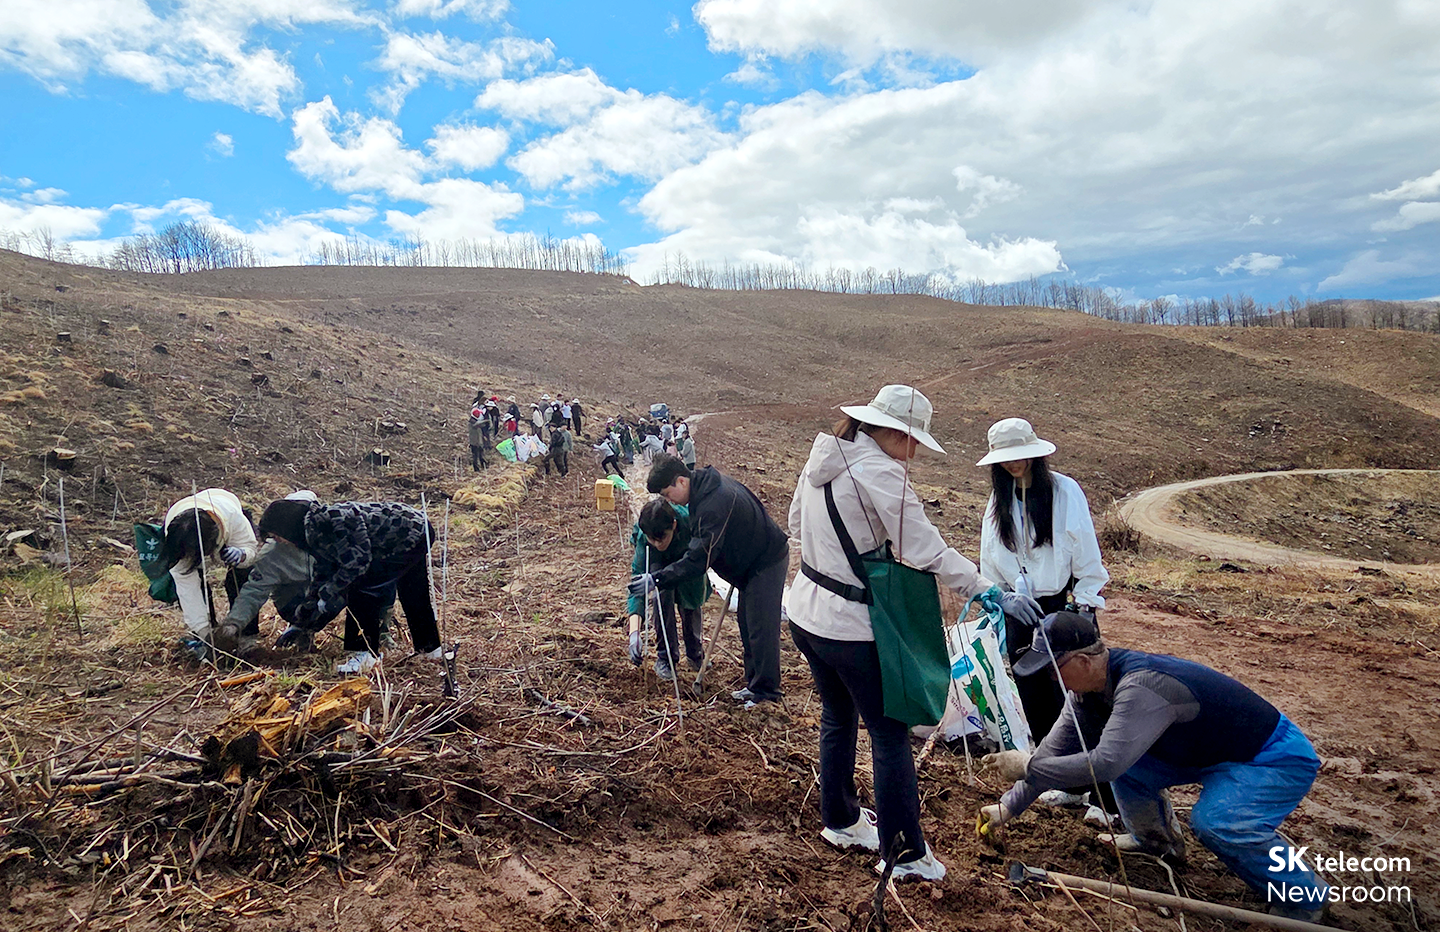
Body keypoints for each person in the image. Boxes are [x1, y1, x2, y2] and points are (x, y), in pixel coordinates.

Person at [786, 384, 1035, 883]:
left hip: (805, 613)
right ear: (891, 432)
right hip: (849, 625)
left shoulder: (823, 458)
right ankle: (904, 854)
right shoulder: (881, 473)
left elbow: (796, 525)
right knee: (889, 733)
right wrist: (987, 588)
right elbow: (927, 551)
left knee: (837, 716)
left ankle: (840, 820)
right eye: (913, 439)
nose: (916, 451)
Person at [979, 612, 1331, 923]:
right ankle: (1157, 842)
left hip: (1272, 757)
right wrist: (1007, 806)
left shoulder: (1141, 685)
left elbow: (1104, 763)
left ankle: (1304, 897)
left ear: (1084, 661)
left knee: (1217, 822)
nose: (1052, 680)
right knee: (1130, 766)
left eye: (1055, 670)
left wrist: (1027, 767)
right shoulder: (1085, 696)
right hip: (1207, 753)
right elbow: (1051, 757)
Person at [977, 417, 1111, 811]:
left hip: (1064, 607)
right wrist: (1001, 597)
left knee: (1086, 696)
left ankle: (1106, 796)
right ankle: (1064, 781)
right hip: (1022, 610)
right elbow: (991, 558)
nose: (1013, 465)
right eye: (1006, 460)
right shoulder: (997, 500)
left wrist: (1085, 603)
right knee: (1035, 693)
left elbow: (1085, 549)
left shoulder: (1065, 491)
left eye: (1020, 457)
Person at [639, 453, 789, 706]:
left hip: (766, 561)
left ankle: (766, 693)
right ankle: (754, 686)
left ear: (681, 482)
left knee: (761, 628)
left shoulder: (712, 503)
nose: (668, 500)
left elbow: (699, 559)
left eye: (667, 493)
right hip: (749, 564)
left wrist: (658, 579)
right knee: (747, 623)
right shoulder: (706, 488)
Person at [258, 497, 443, 674]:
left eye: (277, 536)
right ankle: (430, 649)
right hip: (416, 529)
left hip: (409, 533)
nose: (281, 542)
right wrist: (303, 620)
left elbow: (357, 564)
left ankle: (364, 654)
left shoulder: (332, 522)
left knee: (363, 588)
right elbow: (323, 572)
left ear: (287, 527)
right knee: (412, 591)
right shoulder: (315, 530)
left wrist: (329, 593)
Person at [214, 491, 335, 653]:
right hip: (294, 602)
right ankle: (302, 630)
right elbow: (254, 591)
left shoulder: (331, 538)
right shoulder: (271, 554)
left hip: (326, 598)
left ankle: (368, 641)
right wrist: (233, 624)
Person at [160, 487, 260, 659]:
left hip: (228, 509)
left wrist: (242, 555)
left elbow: (251, 549)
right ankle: (209, 634)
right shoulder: (176, 534)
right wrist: (204, 632)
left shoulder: (234, 518)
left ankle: (246, 634)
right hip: (190, 530)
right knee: (196, 582)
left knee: (240, 577)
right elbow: (187, 587)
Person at [626, 499, 709, 680]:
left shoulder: (689, 521)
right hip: (659, 562)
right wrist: (634, 633)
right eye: (652, 539)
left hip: (687, 559)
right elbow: (636, 587)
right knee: (661, 596)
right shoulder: (645, 539)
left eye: (662, 537)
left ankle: (695, 652)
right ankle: (666, 657)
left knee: (692, 599)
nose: (657, 543)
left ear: (673, 525)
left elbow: (699, 560)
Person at [467, 405, 489, 472]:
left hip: (477, 442)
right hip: (475, 442)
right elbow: (478, 425)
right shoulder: (472, 422)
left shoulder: (473, 421)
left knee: (480, 455)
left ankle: (483, 466)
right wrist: (486, 421)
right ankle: (477, 469)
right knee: (476, 456)